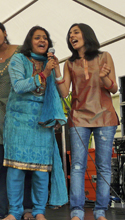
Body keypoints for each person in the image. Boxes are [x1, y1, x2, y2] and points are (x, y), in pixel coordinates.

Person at [3, 26, 68, 220]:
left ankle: (39, 211)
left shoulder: (51, 63)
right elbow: (19, 86)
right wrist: (44, 74)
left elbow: (61, 93)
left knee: (41, 170)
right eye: (38, 37)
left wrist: (55, 70)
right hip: (18, 121)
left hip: (42, 121)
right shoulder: (18, 59)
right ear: (29, 41)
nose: (42, 40)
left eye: (45, 38)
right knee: (16, 169)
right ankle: (14, 212)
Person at [54, 23, 119, 220]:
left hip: (105, 117)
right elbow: (65, 92)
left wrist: (105, 78)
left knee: (104, 166)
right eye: (69, 33)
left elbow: (114, 88)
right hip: (79, 117)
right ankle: (76, 211)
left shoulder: (104, 56)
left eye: (76, 32)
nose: (71, 35)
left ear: (87, 34)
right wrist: (57, 70)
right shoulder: (70, 63)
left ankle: (100, 210)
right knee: (77, 166)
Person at [0, 21, 33, 220]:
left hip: (22, 115)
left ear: (4, 32)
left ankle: (26, 208)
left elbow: (32, 78)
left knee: (24, 164)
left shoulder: (22, 51)